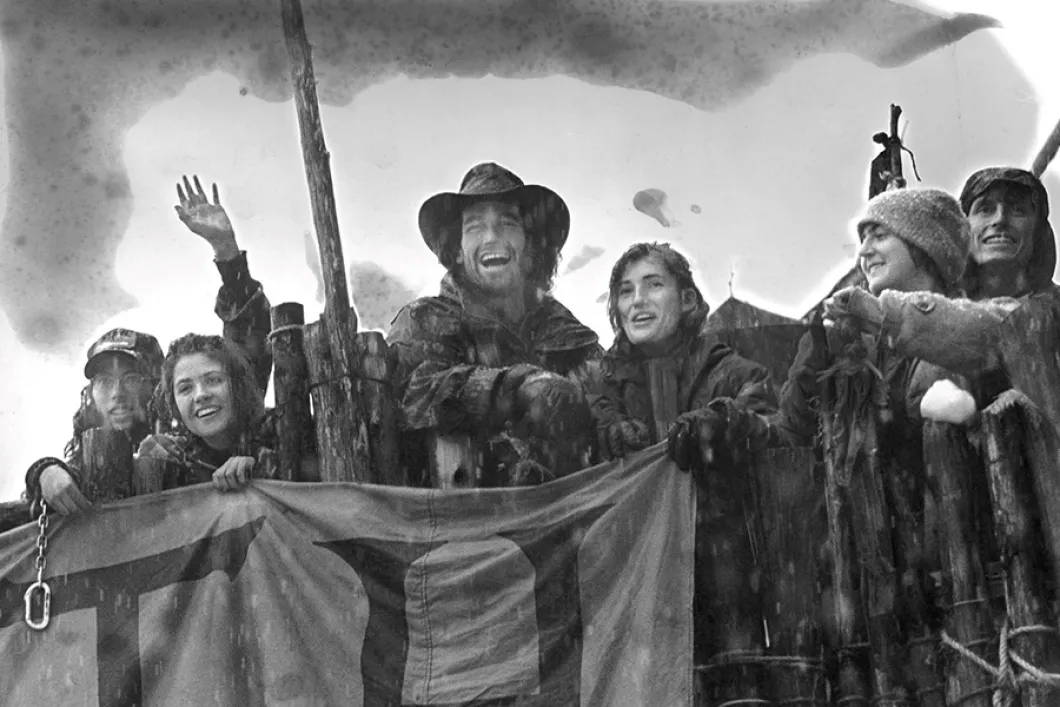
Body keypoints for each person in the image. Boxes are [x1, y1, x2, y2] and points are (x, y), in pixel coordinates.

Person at [24, 175, 273, 514]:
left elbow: (245, 352)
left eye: (130, 378)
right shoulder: (90, 456)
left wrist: (227, 253)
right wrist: (43, 471)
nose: (117, 393)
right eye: (104, 381)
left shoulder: (198, 442)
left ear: (161, 390)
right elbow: (52, 490)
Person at [388, 162, 601, 486]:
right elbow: (413, 395)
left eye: (508, 223)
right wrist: (518, 388)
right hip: (460, 528)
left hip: (572, 521)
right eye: (474, 226)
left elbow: (610, 396)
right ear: (457, 251)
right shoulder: (422, 321)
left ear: (530, 247)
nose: (492, 237)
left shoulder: (572, 337)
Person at [589, 242, 782, 470]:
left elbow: (777, 434)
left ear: (687, 300)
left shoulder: (737, 376)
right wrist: (605, 429)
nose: (637, 300)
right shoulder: (600, 386)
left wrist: (725, 423)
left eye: (654, 285)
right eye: (626, 291)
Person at [136, 333, 277, 492]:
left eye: (213, 380)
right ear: (174, 404)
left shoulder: (280, 431)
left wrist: (261, 467)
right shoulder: (175, 456)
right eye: (185, 388)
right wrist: (145, 467)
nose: (201, 395)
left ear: (238, 385)